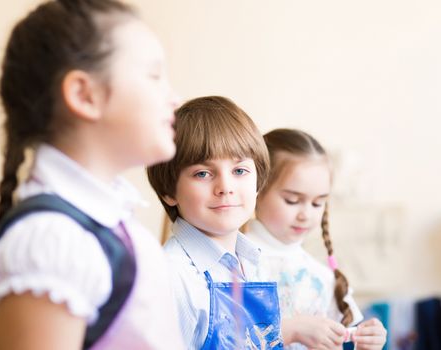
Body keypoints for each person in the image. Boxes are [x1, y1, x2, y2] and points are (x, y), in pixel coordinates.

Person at [0, 0, 185, 349]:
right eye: (154, 76)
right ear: (84, 94)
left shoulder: (110, 221)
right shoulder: (54, 241)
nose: (175, 98)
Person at [147, 96, 284, 350]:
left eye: (240, 171)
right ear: (169, 191)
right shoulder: (170, 277)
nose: (225, 188)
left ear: (258, 182)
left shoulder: (254, 262)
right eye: (203, 173)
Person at [246, 128, 387, 350]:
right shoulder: (232, 261)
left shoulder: (322, 278)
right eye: (292, 200)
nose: (306, 215)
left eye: (317, 203)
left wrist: (366, 341)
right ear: (257, 190)